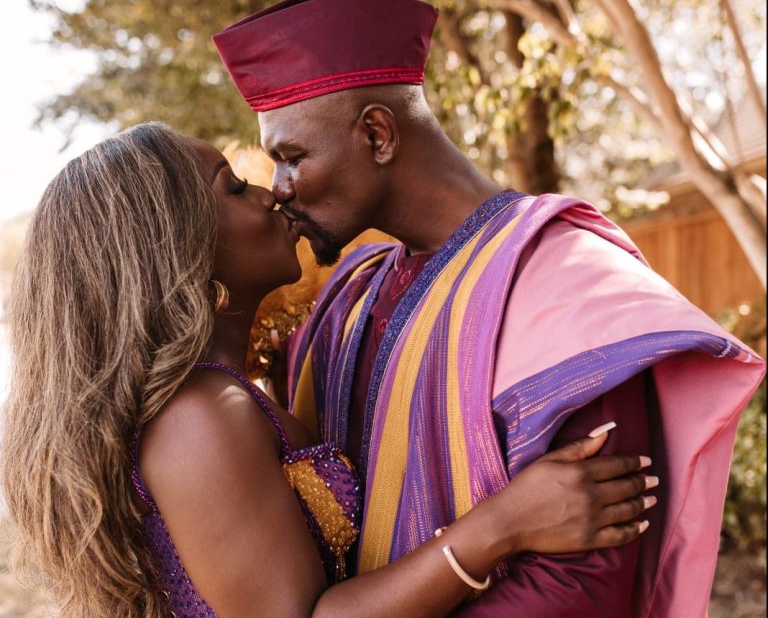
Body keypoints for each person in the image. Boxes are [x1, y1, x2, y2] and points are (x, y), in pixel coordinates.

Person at [212, 0, 766, 617]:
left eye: (291, 158)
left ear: (376, 133)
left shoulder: (568, 281)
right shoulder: (343, 304)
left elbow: (587, 579)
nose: (278, 190)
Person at [2, 122, 657, 618]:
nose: (269, 194)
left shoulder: (236, 392)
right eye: (234, 186)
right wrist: (504, 526)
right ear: (178, 248)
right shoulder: (200, 415)